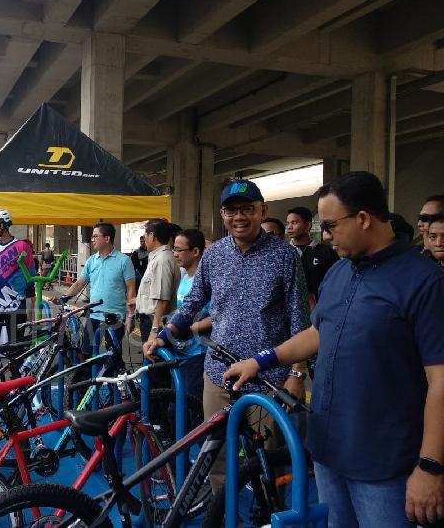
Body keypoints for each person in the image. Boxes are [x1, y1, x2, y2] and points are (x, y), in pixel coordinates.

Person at [223, 172, 444, 527]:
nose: (324, 235)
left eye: (329, 225)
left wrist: (431, 466)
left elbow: (441, 382)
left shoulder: (424, 282)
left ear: (363, 218)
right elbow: (318, 332)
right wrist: (260, 360)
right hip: (328, 448)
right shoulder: (340, 271)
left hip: (383, 462)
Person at [144, 179, 309, 490]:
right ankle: (223, 513)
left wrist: (297, 374)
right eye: (231, 210)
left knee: (267, 462)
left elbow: (299, 317)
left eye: (248, 209)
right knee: (217, 456)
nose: (239, 217)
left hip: (268, 377)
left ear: (263, 211)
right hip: (219, 373)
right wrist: (163, 334)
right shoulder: (215, 254)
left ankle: (265, 517)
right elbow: (193, 302)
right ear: (221, 215)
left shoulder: (285, 256)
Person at [61, 223, 136, 367]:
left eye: (96, 236)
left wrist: (131, 317)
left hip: (115, 316)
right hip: (94, 315)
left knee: (113, 356)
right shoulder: (91, 260)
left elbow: (131, 289)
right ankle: (87, 381)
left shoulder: (124, 261)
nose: (92, 239)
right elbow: (79, 283)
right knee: (85, 352)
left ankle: (116, 386)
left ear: (107, 238)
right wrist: (64, 298)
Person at [165, 228, 211, 400]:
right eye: (173, 249)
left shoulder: (207, 281)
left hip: (198, 354)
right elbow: (183, 310)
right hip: (181, 352)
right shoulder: (185, 279)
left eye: (179, 250)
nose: (175, 254)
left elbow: (218, 315)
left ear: (196, 251)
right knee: (176, 404)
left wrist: (191, 327)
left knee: (192, 405)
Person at [0, 209, 35, 341]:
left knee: (16, 347)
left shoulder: (22, 246)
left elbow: (30, 276)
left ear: (2, 225)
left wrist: (30, 304)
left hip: (16, 304)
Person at [136, 219, 180, 345]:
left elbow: (162, 300)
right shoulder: (157, 257)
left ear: (152, 236)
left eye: (145, 235)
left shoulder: (162, 260)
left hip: (155, 321)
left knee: (153, 359)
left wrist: (154, 331)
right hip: (151, 319)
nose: (144, 239)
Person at [285, 206, 339, 309]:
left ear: (308, 225)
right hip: (292, 311)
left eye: (294, 223)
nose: (289, 227)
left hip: (322, 309)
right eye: (288, 223)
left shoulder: (325, 251)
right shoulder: (283, 253)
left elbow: (335, 282)